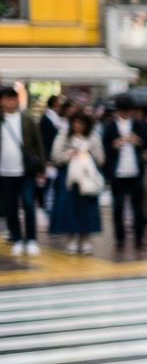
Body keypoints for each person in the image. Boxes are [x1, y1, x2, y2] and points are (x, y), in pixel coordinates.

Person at [102, 95, 147, 251]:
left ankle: (139, 239)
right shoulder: (110, 127)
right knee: (118, 207)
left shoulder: (138, 125)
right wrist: (115, 144)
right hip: (117, 172)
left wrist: (138, 142)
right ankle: (120, 239)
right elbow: (104, 147)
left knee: (138, 207)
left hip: (135, 171)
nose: (125, 113)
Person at [49, 113, 103, 254]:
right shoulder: (64, 136)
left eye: (81, 123)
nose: (78, 126)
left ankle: (86, 239)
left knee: (87, 210)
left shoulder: (93, 138)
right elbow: (56, 156)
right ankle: (71, 238)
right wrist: (69, 154)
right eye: (76, 123)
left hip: (87, 179)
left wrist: (88, 154)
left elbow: (101, 158)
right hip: (69, 179)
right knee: (70, 209)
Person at [1, 85, 45, 256]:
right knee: (11, 207)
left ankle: (32, 239)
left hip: (26, 171)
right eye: (6, 98)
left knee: (28, 204)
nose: (10, 102)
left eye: (13, 98)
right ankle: (17, 238)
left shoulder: (27, 119)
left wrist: (41, 167)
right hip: (5, 172)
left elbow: (38, 144)